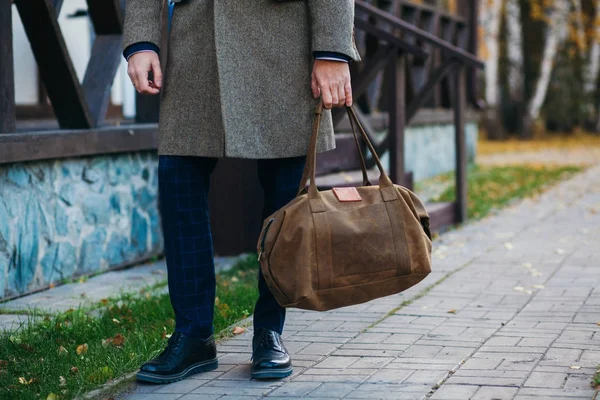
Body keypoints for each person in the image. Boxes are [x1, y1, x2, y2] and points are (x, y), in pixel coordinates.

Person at [123, 0, 360, 383]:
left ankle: (270, 330)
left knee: (285, 203)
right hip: (197, 42)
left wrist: (332, 49)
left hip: (283, 44)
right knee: (178, 184)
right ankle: (193, 335)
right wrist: (141, 41)